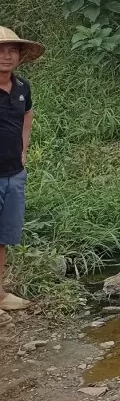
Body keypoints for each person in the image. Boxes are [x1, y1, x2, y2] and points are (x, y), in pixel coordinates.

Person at [0, 27, 43, 322]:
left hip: (14, 174)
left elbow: (27, 115)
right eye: (1, 51)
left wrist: (24, 149)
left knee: (3, 237)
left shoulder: (22, 88)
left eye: (12, 50)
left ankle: (0, 293)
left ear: (20, 55)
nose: (6, 56)